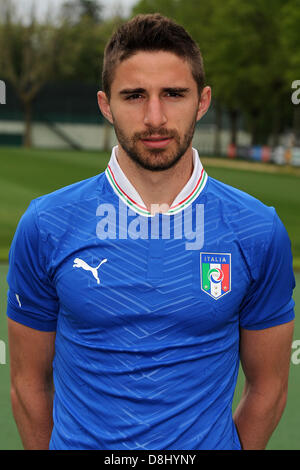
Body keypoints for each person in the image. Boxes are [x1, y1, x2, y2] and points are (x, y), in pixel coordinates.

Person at [6, 13, 295, 451]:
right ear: (106, 105)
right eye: (135, 95)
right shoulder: (45, 225)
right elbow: (28, 383)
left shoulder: (257, 230)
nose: (155, 117)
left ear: (202, 101)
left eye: (174, 94)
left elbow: (269, 387)